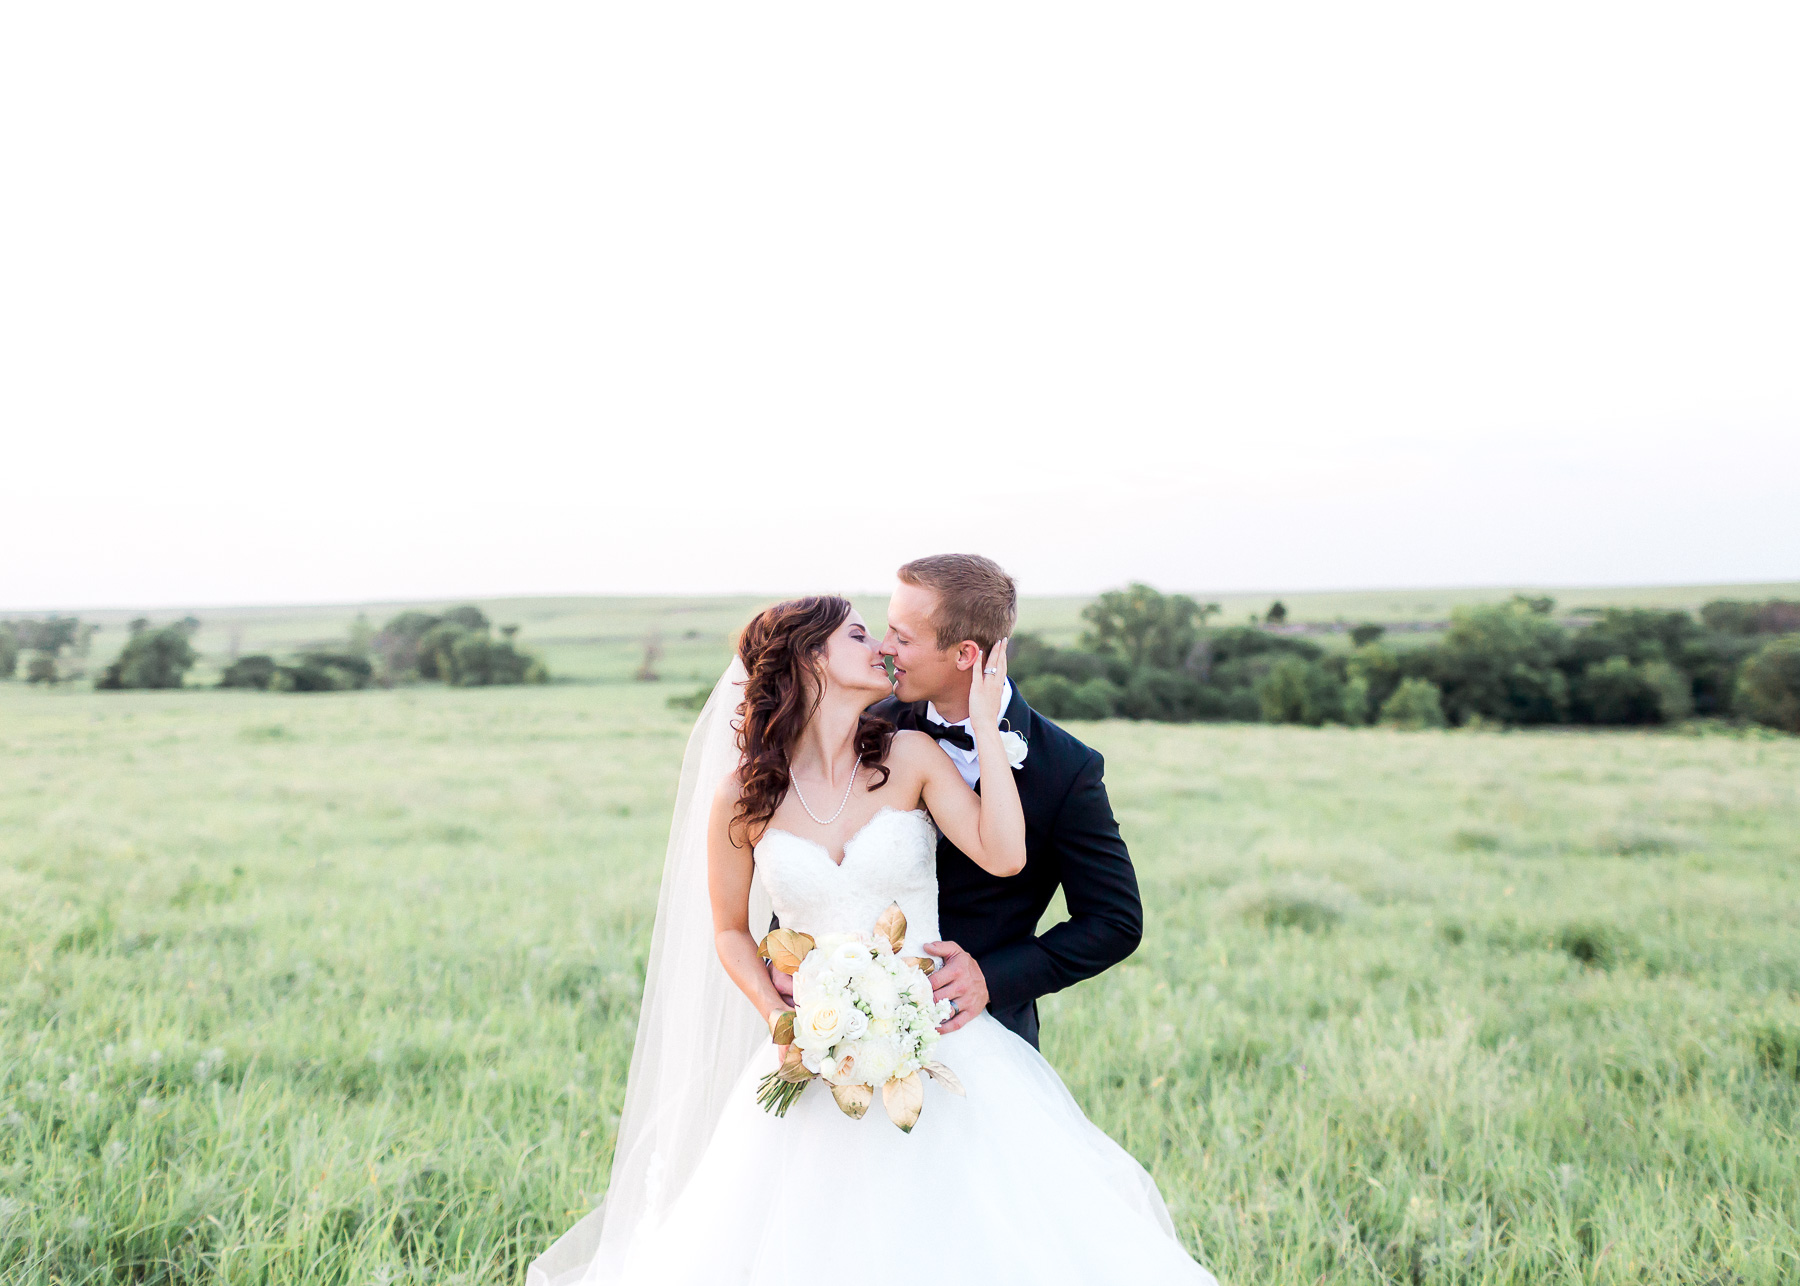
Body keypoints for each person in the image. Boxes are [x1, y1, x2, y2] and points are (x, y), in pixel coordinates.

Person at [528, 588, 1214, 1285]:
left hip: (941, 1043)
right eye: (861, 635)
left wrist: (982, 724)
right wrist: (783, 1019)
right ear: (809, 659)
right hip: (813, 1052)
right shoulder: (743, 792)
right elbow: (731, 931)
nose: (882, 647)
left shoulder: (911, 752)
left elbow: (1006, 855)